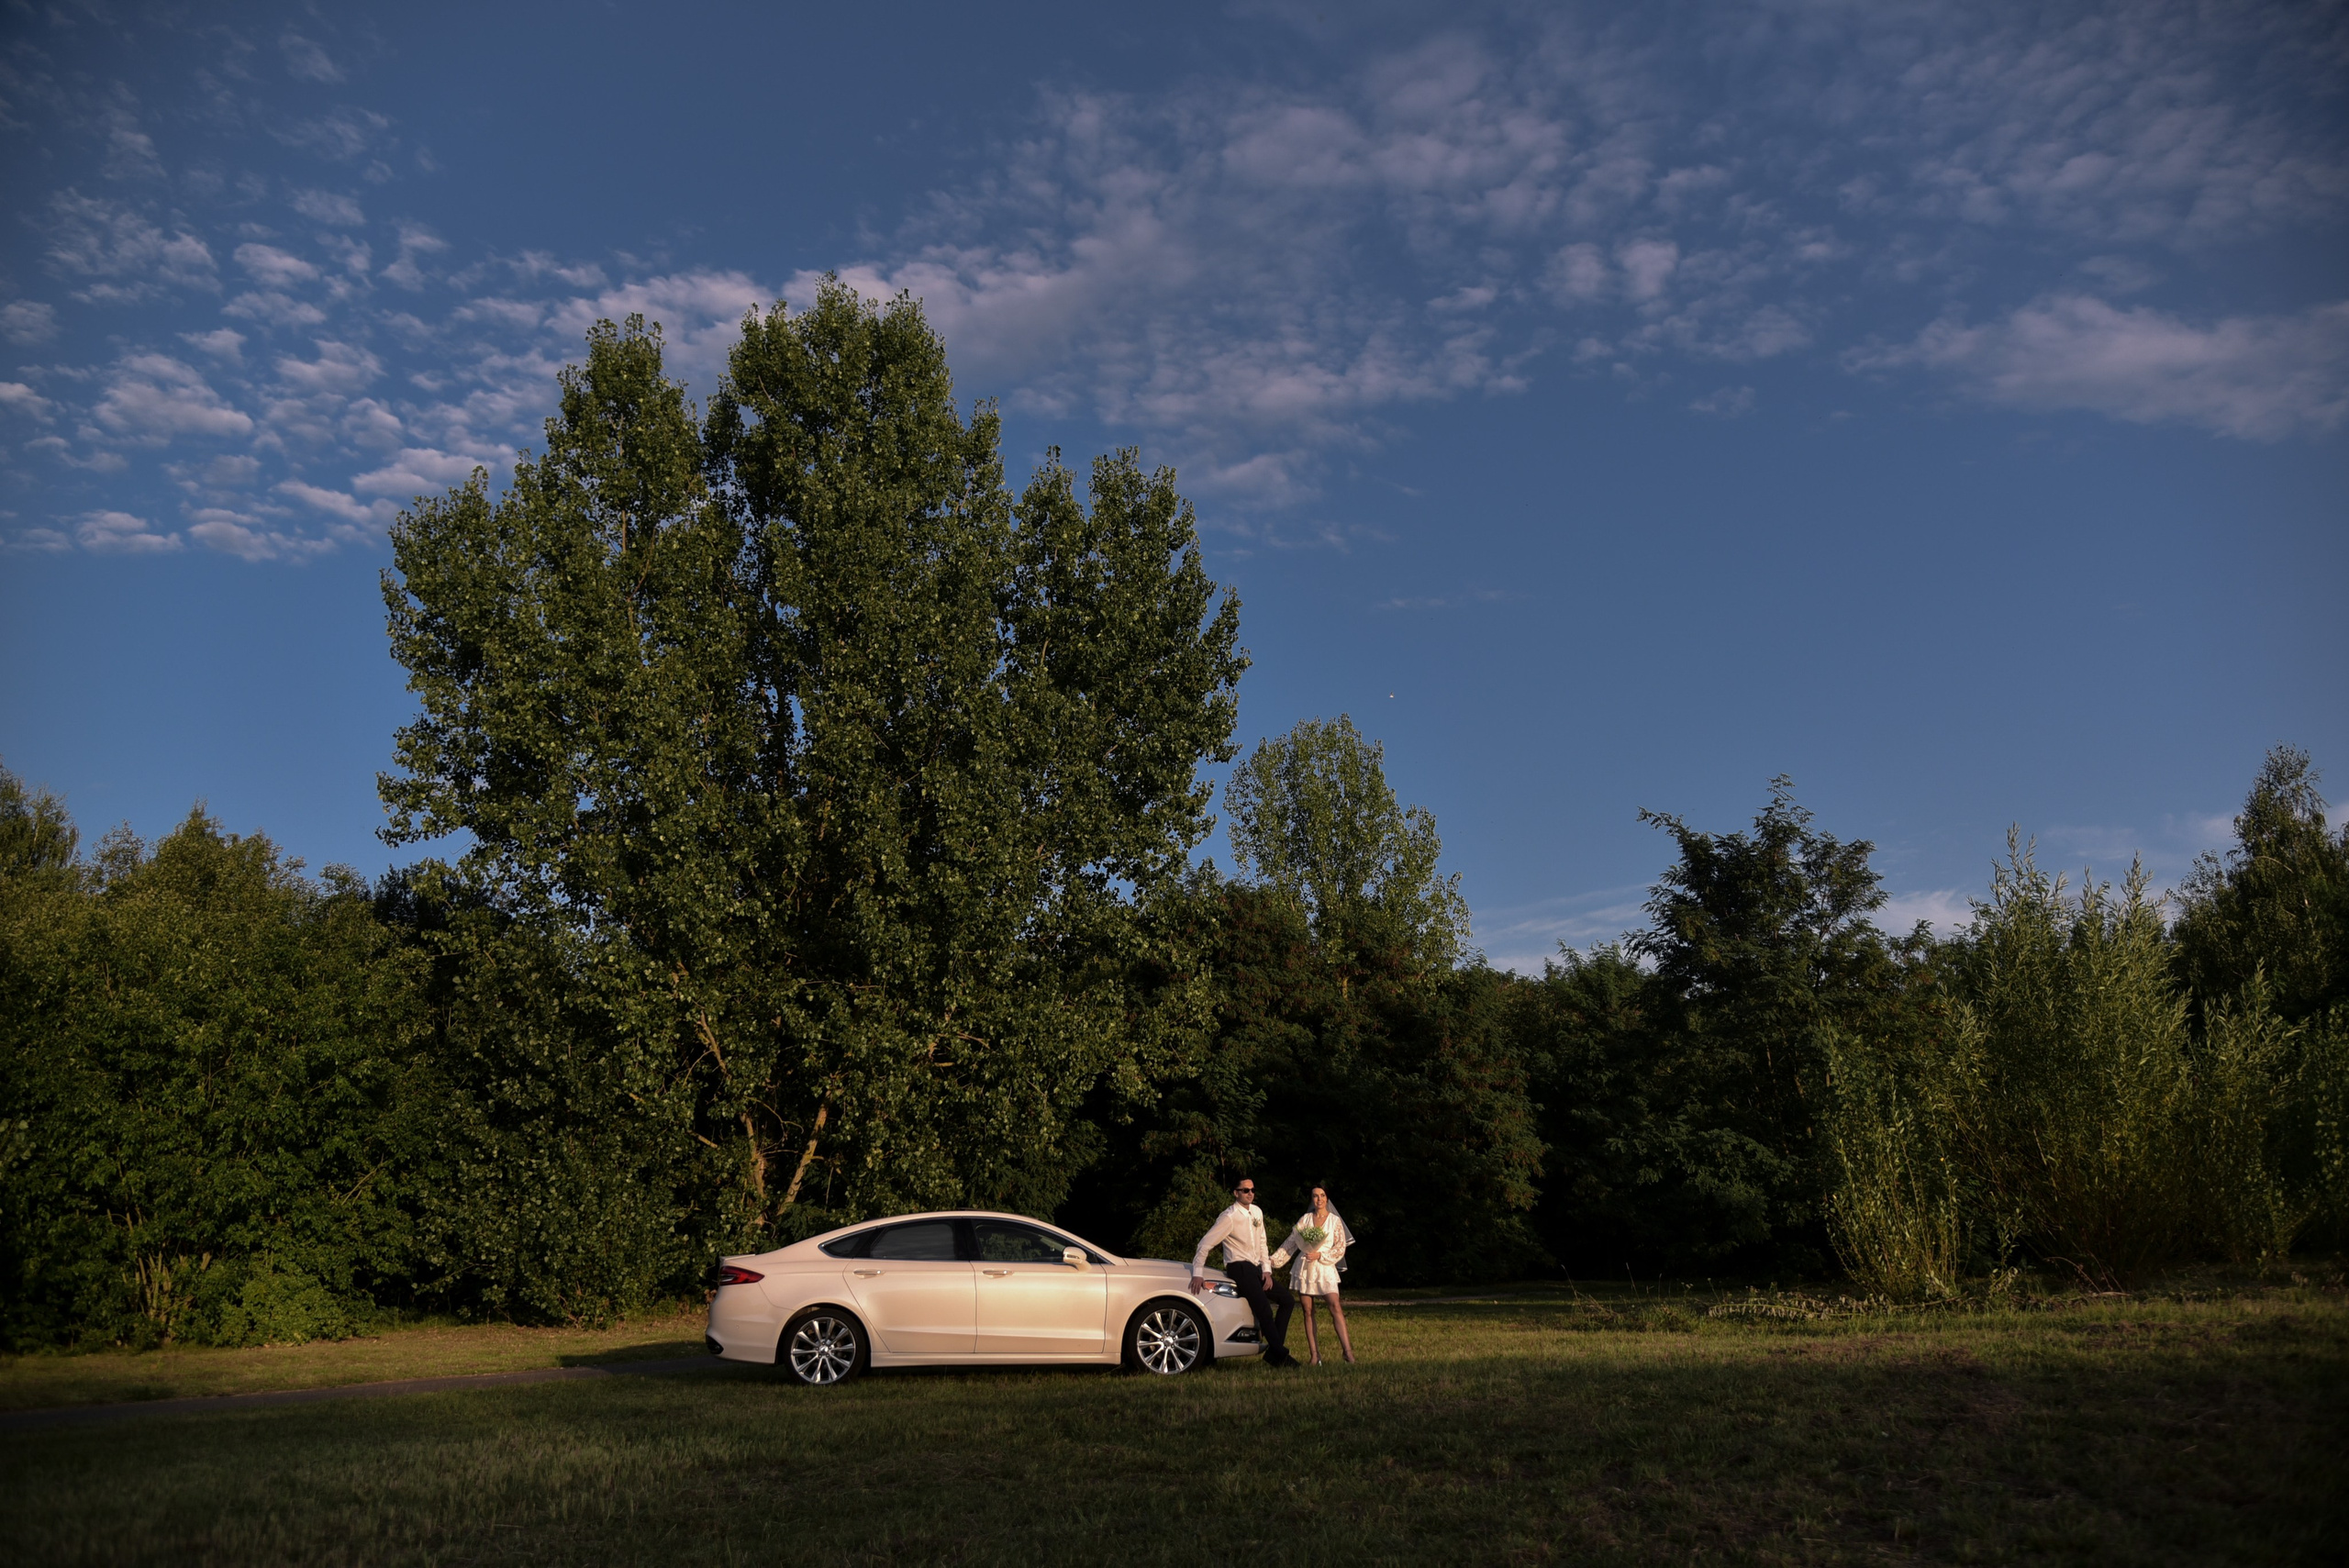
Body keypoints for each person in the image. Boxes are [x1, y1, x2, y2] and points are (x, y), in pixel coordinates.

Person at [1190, 1176, 1299, 1368]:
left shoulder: (1257, 1212)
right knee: (1263, 1308)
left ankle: (1274, 1352)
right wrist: (1197, 1272)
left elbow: (1263, 1242)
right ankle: (1281, 1356)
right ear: (1236, 1193)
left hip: (1256, 1267)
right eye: (1245, 1190)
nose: (1250, 1194)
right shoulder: (1229, 1217)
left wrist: (1267, 1270)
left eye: (1253, 1190)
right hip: (1239, 1267)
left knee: (1287, 1301)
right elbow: (1205, 1243)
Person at [1275, 1184, 1355, 1365]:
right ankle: (1315, 1355)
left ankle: (1348, 1352)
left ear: (1327, 1198)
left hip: (1325, 1266)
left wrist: (1321, 1255)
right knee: (1307, 1311)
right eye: (1315, 1196)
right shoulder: (1305, 1219)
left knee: (1335, 1306)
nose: (1319, 1199)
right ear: (1312, 1199)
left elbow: (1340, 1247)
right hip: (1306, 1268)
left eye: (1322, 1195)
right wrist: (1272, 1261)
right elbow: (1291, 1242)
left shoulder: (1334, 1221)